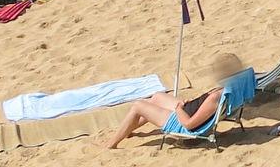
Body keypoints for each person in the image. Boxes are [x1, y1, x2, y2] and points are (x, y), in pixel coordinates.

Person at [102, 51, 246, 148]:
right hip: (187, 110)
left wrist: (178, 110)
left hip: (180, 122)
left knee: (138, 106)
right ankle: (127, 129)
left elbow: (189, 125)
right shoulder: (233, 89)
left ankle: (111, 144)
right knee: (157, 96)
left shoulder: (215, 97)